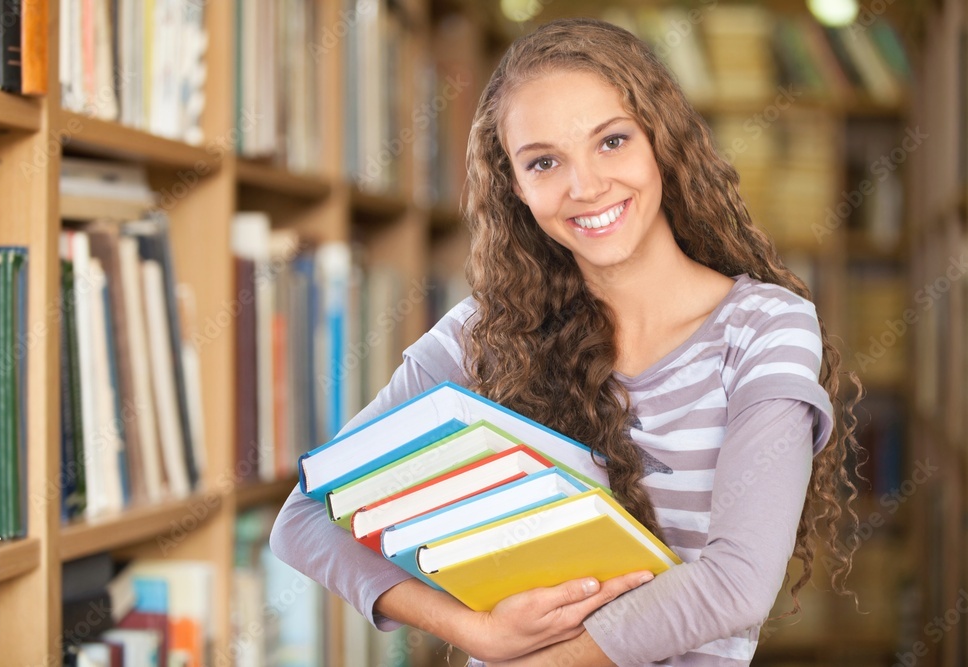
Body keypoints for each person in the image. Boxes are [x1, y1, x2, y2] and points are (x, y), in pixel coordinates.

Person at [270, 17, 862, 666]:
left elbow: (737, 584)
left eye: (611, 141)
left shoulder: (765, 327)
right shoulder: (486, 331)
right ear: (516, 188)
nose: (585, 186)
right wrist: (477, 634)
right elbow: (304, 516)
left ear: (659, 141)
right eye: (544, 161)